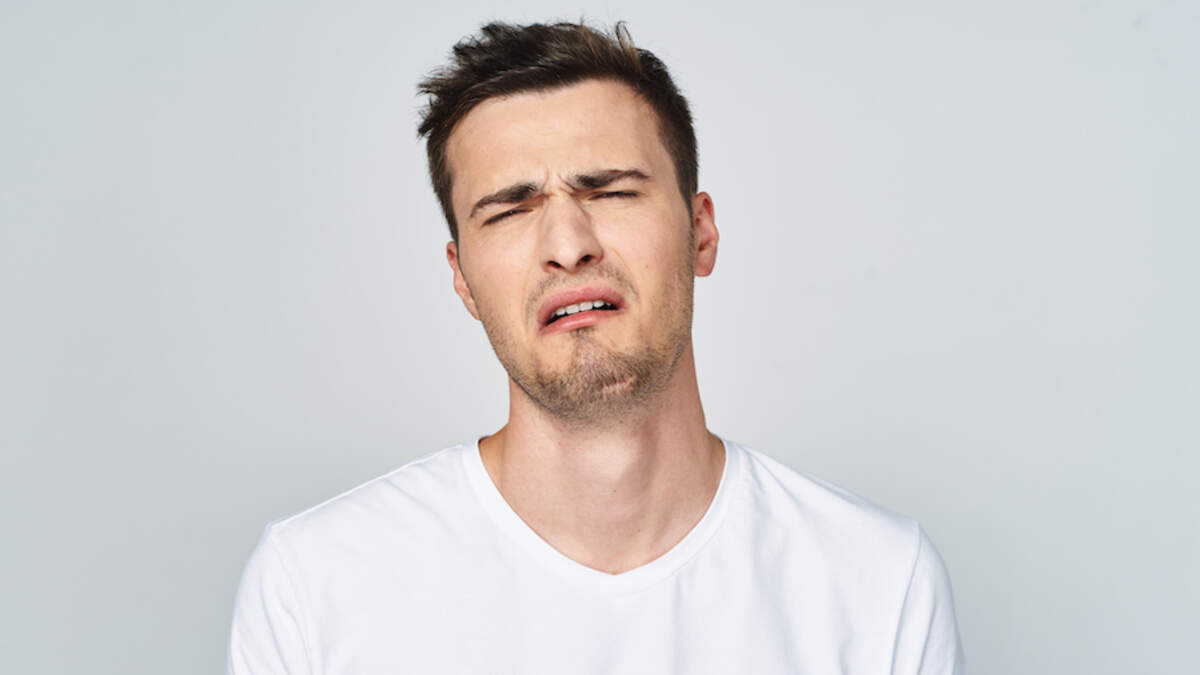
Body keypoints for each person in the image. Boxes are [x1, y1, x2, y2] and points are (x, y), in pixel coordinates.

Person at [227, 20, 966, 674]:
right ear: (462, 280)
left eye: (610, 191)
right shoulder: (315, 585)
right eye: (509, 210)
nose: (568, 245)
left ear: (701, 232)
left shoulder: (877, 582)